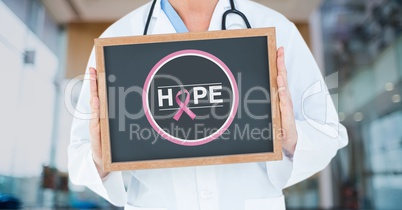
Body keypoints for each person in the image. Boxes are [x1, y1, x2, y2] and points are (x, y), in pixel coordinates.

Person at [68, 0, 349, 209]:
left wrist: (293, 139)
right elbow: (80, 152)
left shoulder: (275, 29)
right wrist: (99, 160)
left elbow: (328, 131)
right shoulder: (116, 40)